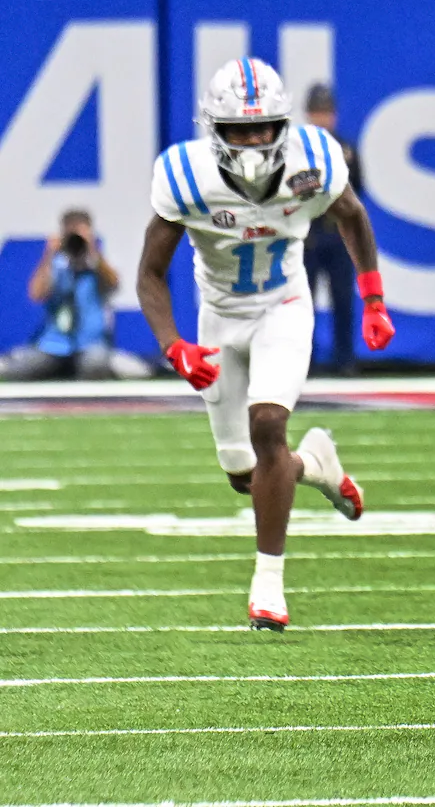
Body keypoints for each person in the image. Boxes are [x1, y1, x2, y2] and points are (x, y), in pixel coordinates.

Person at [136, 57, 396, 631]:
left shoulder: (314, 159)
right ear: (215, 131)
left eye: (262, 128)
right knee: (242, 472)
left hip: (283, 304)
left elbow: (353, 217)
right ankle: (316, 466)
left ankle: (268, 586)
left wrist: (373, 298)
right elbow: (151, 272)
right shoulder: (186, 176)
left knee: (268, 426)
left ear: (283, 125)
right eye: (238, 131)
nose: (253, 141)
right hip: (220, 316)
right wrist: (172, 345)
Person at [0, 209, 150, 380]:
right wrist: (48, 255)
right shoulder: (56, 264)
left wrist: (93, 249)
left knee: (95, 366)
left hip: (90, 343)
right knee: (21, 369)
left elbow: (113, 283)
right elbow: (36, 294)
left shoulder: (97, 264)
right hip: (53, 343)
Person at [302, 84, 361, 375]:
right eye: (317, 112)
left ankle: (345, 360)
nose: (322, 119)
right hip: (308, 236)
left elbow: (358, 190)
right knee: (302, 303)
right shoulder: (297, 151)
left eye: (326, 112)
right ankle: (305, 361)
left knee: (343, 299)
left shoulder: (345, 149)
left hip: (337, 235)